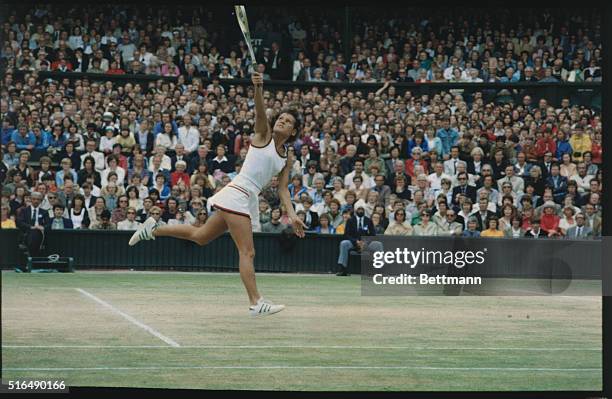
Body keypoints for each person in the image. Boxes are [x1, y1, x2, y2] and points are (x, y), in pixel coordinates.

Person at [129, 72, 306, 317]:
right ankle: (256, 302)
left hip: (246, 196)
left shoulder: (286, 156)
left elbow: (283, 188)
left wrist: (293, 214)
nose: (282, 122)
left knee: (200, 236)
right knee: (248, 252)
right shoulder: (263, 134)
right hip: (237, 193)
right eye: (281, 118)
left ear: (294, 132)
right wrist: (258, 88)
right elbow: (260, 113)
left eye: (288, 122)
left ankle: (153, 229)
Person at [335, 205, 383, 276]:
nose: (360, 210)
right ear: (355, 210)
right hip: (353, 242)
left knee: (378, 244)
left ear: (364, 211)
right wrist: (356, 241)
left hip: (366, 243)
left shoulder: (368, 220)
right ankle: (343, 269)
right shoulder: (350, 220)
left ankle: (378, 270)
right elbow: (347, 234)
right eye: (358, 209)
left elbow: (373, 234)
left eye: (362, 209)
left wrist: (365, 242)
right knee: (344, 243)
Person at [16, 191, 49, 256]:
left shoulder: (44, 212)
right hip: (26, 233)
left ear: (41, 201)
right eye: (34, 199)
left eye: (38, 199)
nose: (36, 201)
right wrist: (31, 227)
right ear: (31, 199)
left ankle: (30, 256)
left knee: (35, 233)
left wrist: (43, 227)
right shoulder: (24, 210)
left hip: (40, 234)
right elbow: (19, 222)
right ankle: (34, 257)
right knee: (33, 233)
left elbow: (49, 224)